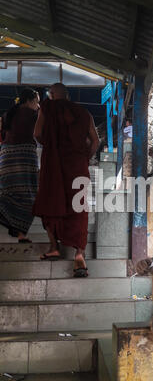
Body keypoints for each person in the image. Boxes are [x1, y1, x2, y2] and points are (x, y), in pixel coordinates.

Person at [33, 83, 99, 277]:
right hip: (77, 165)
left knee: (50, 203)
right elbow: (95, 141)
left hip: (53, 164)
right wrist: (83, 157)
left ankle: (54, 247)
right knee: (78, 207)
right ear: (68, 96)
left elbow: (37, 134)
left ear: (52, 95)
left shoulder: (47, 107)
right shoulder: (84, 113)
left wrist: (52, 146)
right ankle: (79, 255)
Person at [0, 88, 40, 242]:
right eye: (36, 102)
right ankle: (20, 233)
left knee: (8, 192)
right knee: (29, 195)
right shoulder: (32, 114)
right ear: (29, 101)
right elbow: (42, 133)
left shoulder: (9, 113)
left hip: (6, 156)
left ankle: (19, 233)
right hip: (23, 157)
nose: (38, 105)